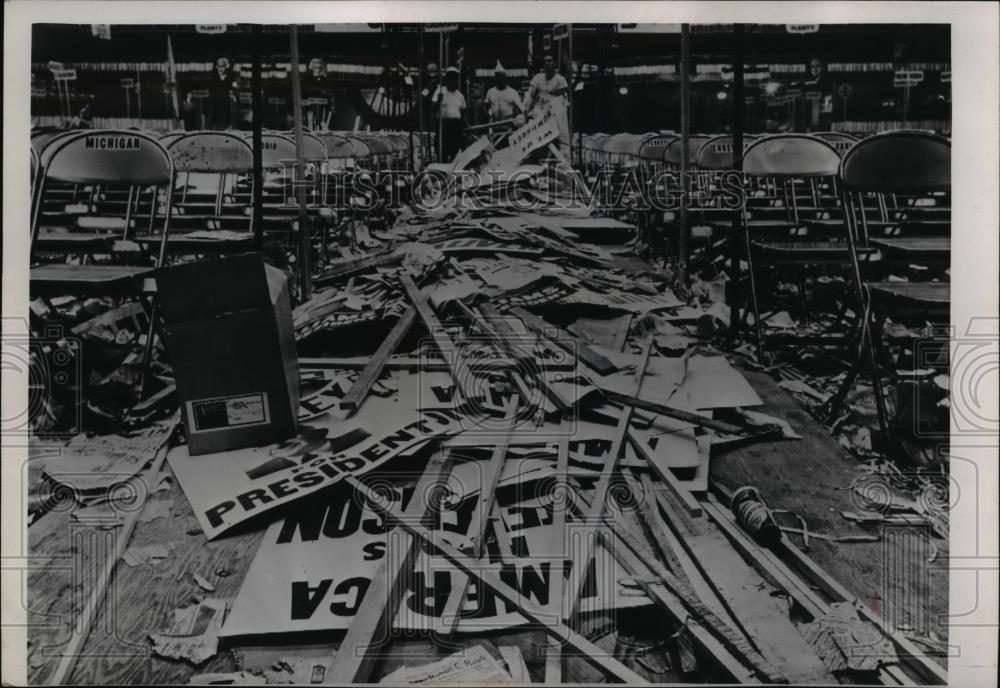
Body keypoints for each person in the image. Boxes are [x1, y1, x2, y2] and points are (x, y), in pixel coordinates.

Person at [523, 52, 570, 149]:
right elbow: (531, 97)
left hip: (552, 116)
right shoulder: (538, 78)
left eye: (549, 61)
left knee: (553, 144)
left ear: (554, 64)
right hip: (538, 115)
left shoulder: (560, 80)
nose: (547, 63)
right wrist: (527, 112)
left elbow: (563, 102)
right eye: (545, 61)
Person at [432, 66, 467, 162]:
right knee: (442, 151)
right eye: (451, 77)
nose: (453, 80)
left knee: (455, 152)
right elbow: (432, 108)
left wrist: (465, 127)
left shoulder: (460, 95)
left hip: (456, 126)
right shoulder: (440, 91)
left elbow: (463, 113)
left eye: (455, 78)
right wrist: (439, 100)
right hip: (443, 125)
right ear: (447, 79)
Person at [206, 56, 238, 130]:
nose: (221, 69)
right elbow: (211, 92)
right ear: (216, 67)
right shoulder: (213, 77)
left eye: (223, 66)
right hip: (215, 104)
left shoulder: (229, 77)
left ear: (225, 67)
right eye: (219, 66)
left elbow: (233, 88)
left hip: (225, 104)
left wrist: (234, 95)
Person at [303, 57, 334, 130]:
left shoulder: (324, 79)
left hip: (321, 107)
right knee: (309, 121)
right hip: (309, 106)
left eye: (318, 64)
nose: (316, 67)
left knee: (320, 121)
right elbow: (304, 90)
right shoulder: (307, 78)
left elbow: (328, 92)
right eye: (315, 65)